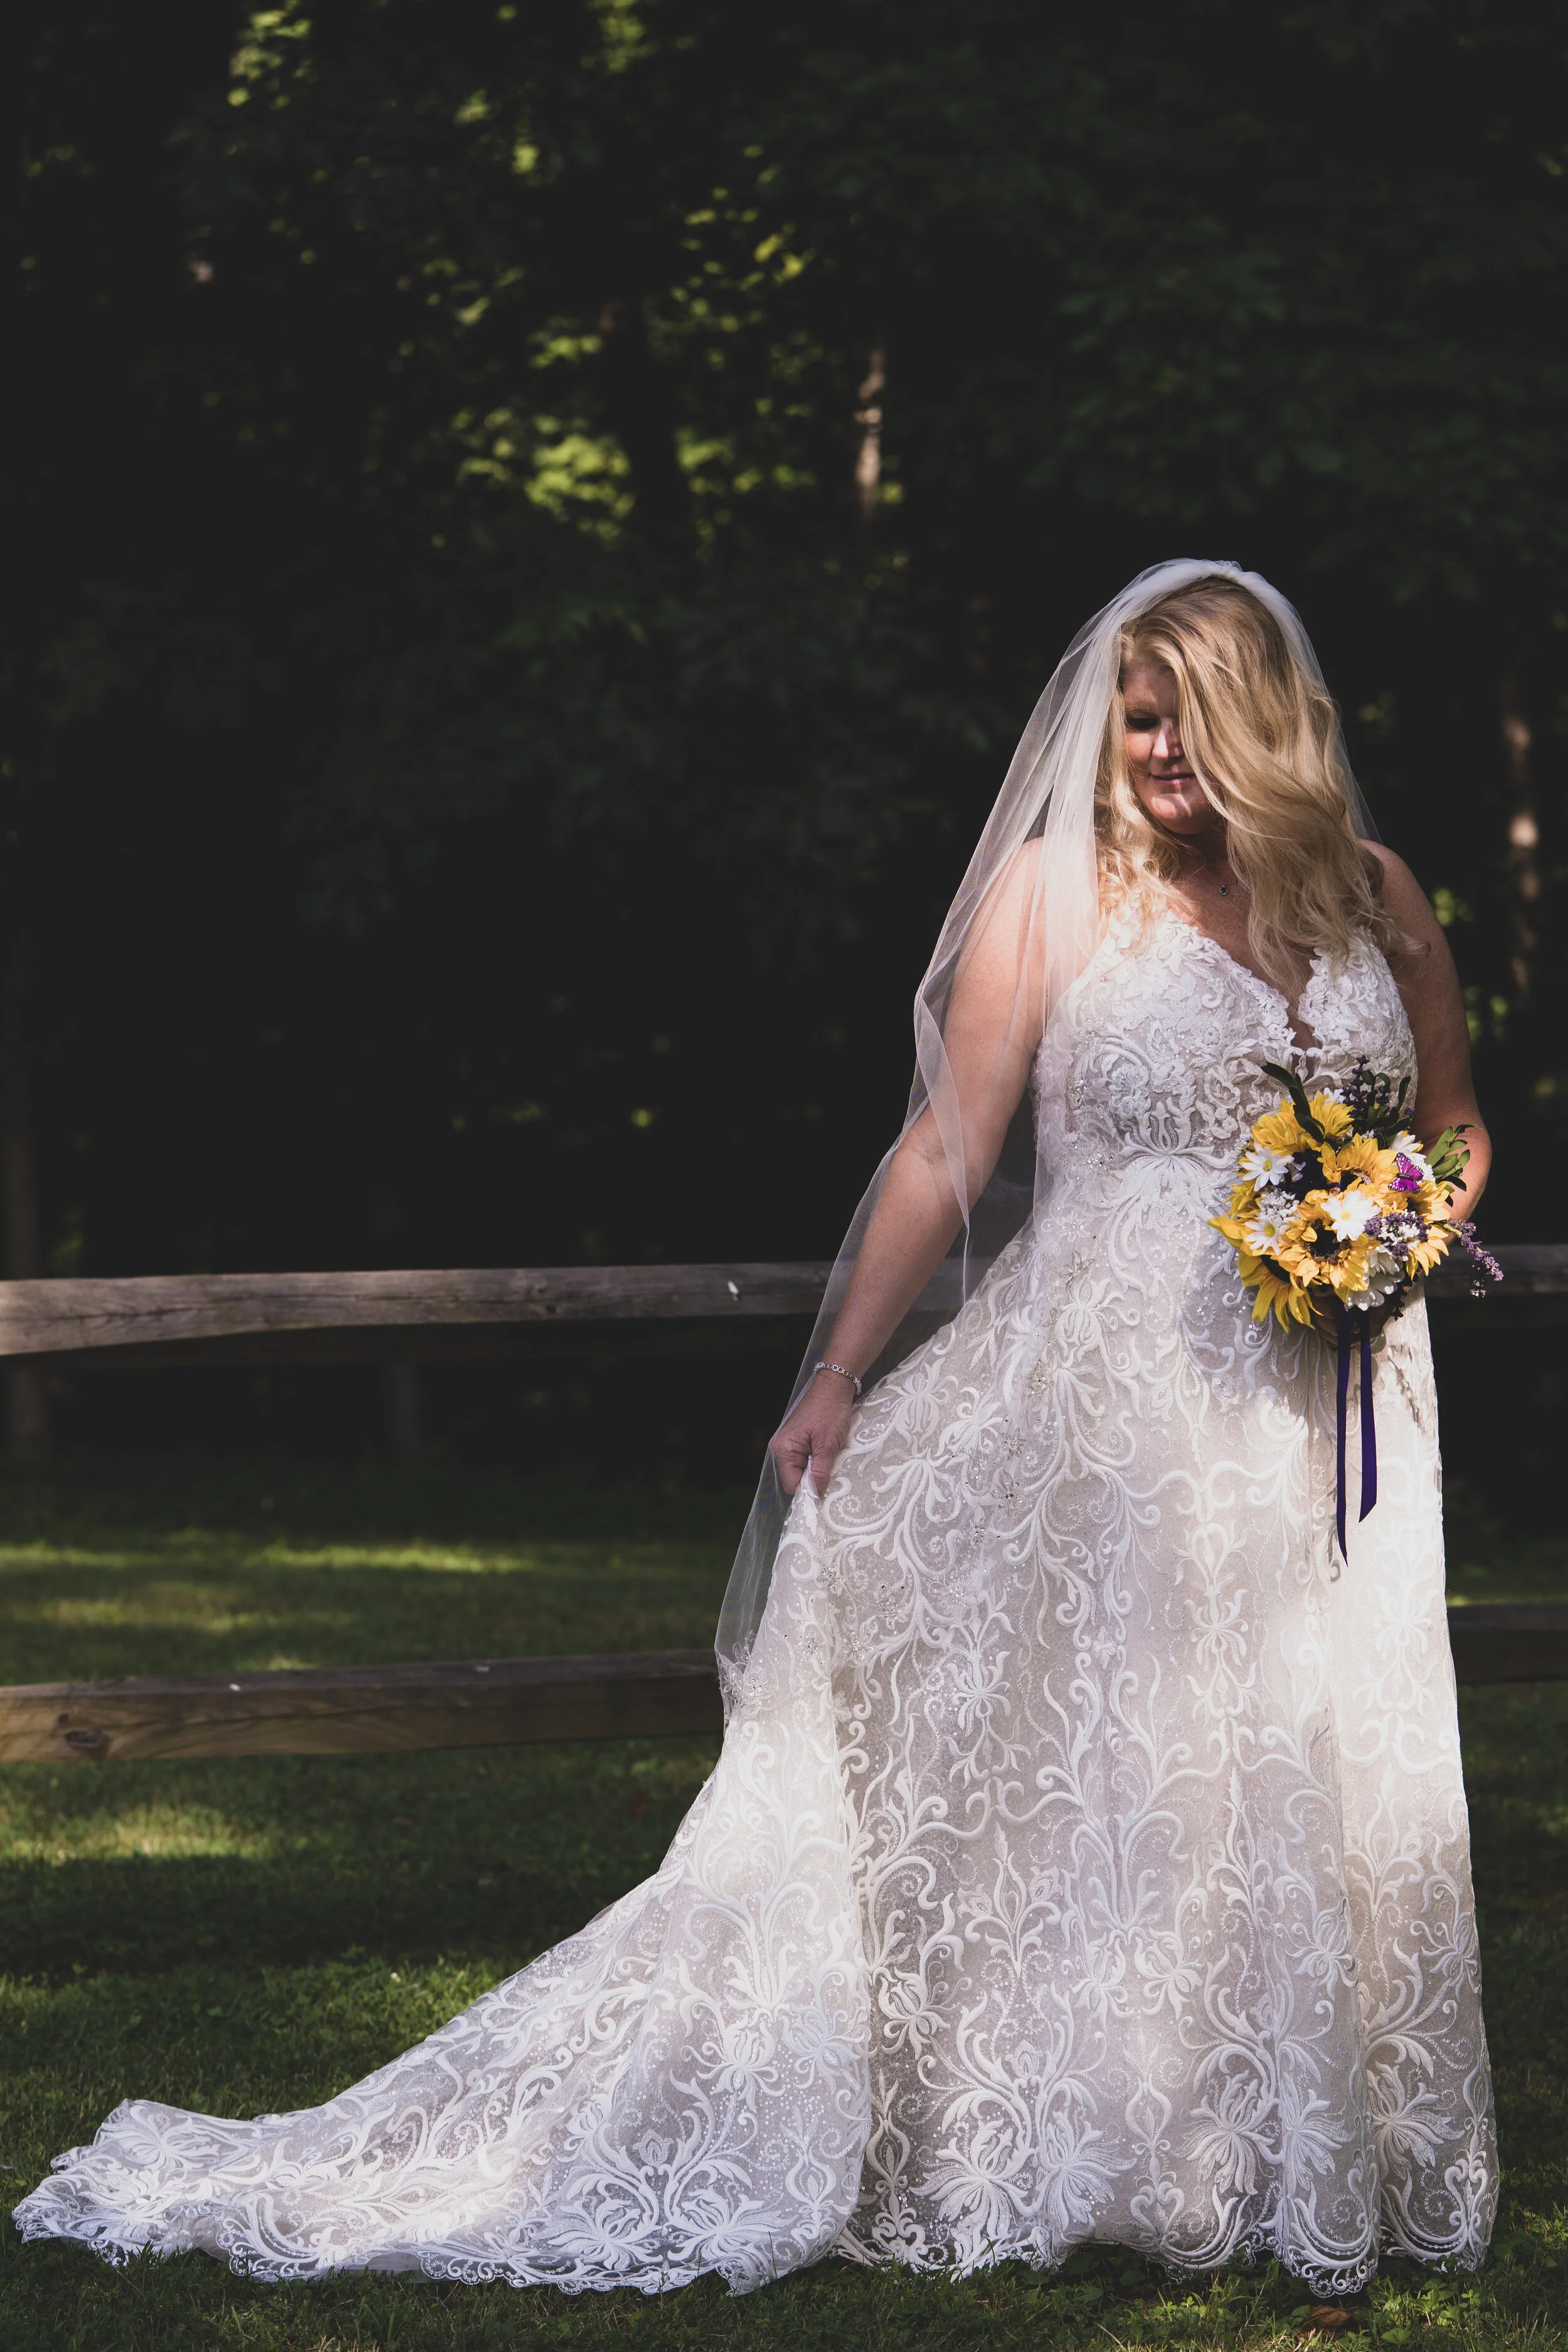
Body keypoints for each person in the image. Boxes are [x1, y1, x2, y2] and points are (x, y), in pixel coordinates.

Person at [15, 561, 1496, 2297]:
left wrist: (1397, 1233)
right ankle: (1088, 2143)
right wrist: (834, 1373)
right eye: (1131, 714)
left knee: (1290, 1752)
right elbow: (946, 1156)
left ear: (1266, 714)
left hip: (1324, 1413)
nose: (1152, 746)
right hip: (1100, 1408)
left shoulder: (1373, 898)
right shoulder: (1057, 897)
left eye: (1181, 711)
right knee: (1115, 1772)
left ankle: (1264, 2151)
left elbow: (1453, 1123)